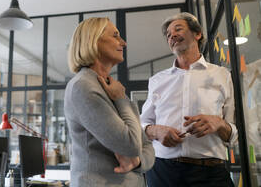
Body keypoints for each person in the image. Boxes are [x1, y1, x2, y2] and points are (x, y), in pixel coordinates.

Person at [140, 12, 238, 187]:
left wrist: (219, 123)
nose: (172, 36)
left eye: (178, 29)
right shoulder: (157, 81)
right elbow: (141, 125)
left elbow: (234, 134)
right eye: (169, 35)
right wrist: (156, 131)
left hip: (210, 174)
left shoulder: (222, 75)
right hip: (162, 172)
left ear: (197, 34)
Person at [64, 17, 155, 187]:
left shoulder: (112, 87)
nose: (124, 43)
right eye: (115, 36)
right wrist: (121, 100)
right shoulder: (83, 86)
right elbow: (131, 145)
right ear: (93, 40)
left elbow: (147, 146)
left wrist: (137, 162)